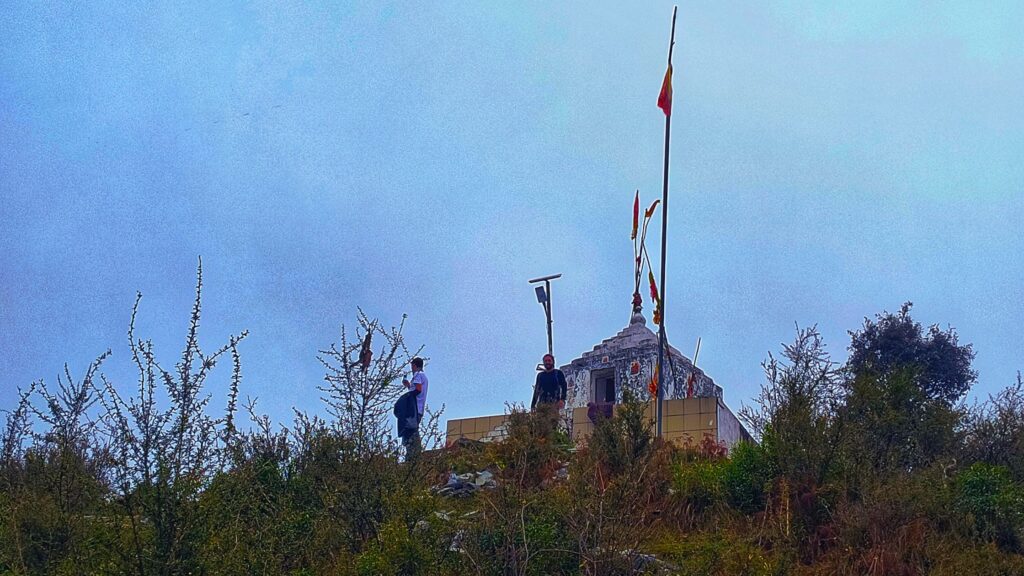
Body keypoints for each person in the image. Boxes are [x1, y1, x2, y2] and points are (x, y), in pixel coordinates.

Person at [394, 386, 420, 457]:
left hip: (406, 429)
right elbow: (418, 389)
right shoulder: (409, 398)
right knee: (414, 453)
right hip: (410, 429)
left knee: (410, 451)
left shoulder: (403, 400)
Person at [402, 357, 429, 423]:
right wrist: (409, 386)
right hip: (419, 410)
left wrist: (407, 397)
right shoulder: (424, 376)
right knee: (413, 430)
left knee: (408, 429)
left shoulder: (418, 374)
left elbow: (418, 389)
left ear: (414, 365)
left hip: (414, 408)